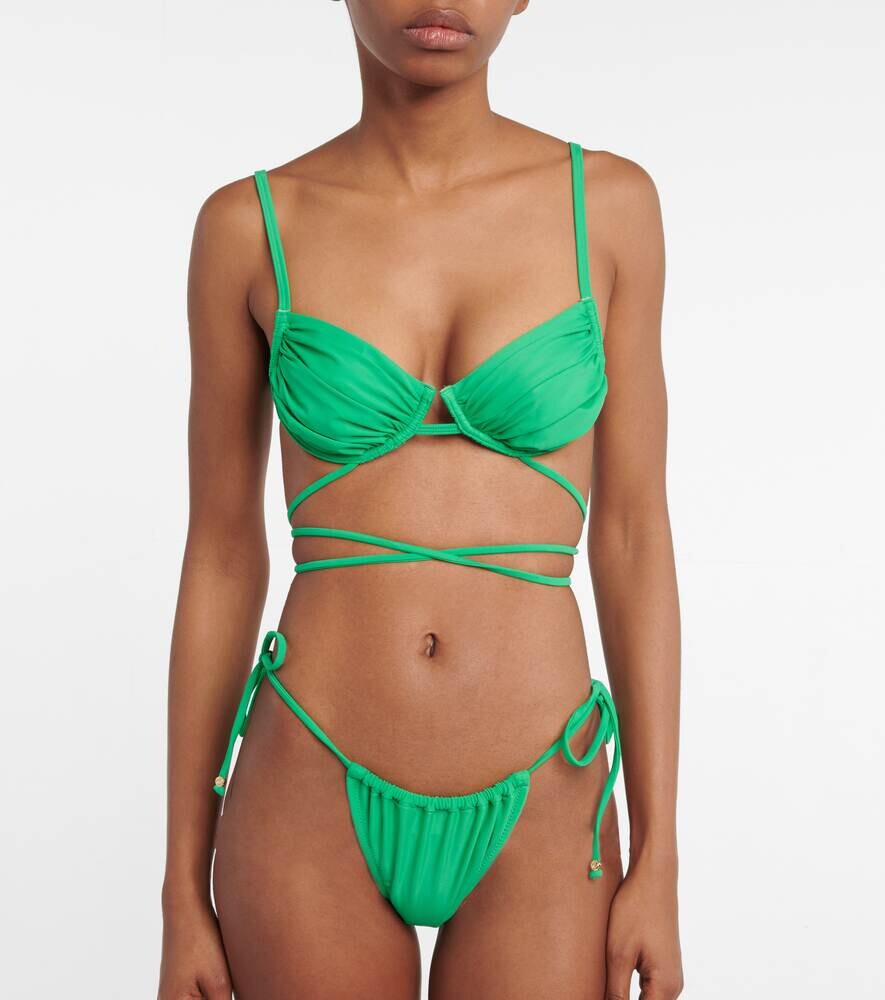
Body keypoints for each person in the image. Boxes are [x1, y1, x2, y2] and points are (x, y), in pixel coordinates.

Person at [158, 2, 682, 997]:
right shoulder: (250, 225)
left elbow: (632, 536)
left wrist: (660, 853)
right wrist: (181, 889)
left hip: (546, 791)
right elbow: (221, 552)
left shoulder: (608, 207)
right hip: (306, 784)